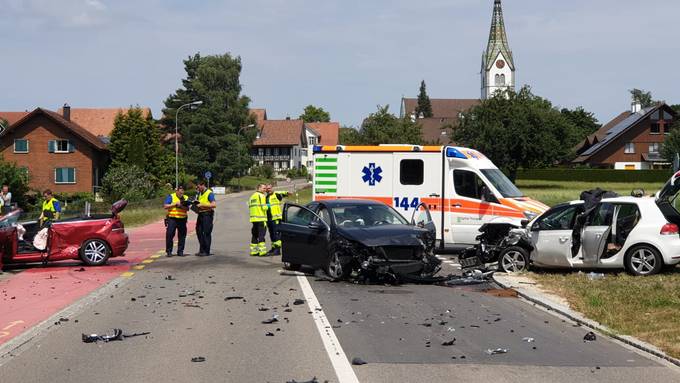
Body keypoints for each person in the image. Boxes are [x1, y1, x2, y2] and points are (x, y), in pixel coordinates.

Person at [163, 185, 189, 257]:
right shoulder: (171, 196)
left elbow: (187, 209)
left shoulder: (186, 198)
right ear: (176, 191)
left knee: (182, 236)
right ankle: (169, 251)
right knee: (170, 234)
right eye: (180, 192)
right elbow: (165, 206)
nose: (181, 193)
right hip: (172, 218)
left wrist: (181, 206)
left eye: (182, 192)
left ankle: (180, 251)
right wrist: (174, 204)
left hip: (182, 219)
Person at [265, 184, 288, 256]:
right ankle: (273, 248)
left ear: (272, 188)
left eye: (269, 188)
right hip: (269, 219)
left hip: (276, 218)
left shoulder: (276, 195)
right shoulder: (266, 197)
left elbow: (284, 193)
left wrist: (287, 193)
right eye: (267, 189)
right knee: (272, 234)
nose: (268, 189)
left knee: (276, 234)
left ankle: (277, 250)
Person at [195, 181, 216, 256]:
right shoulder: (199, 193)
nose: (198, 188)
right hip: (200, 214)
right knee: (198, 231)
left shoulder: (209, 193)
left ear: (203, 185)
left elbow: (213, 204)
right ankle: (202, 249)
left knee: (206, 232)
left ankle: (206, 251)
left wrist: (202, 204)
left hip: (207, 214)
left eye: (198, 187)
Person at [249, 184, 269, 256]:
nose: (265, 190)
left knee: (254, 235)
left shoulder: (252, 196)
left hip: (254, 219)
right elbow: (264, 208)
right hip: (261, 219)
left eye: (265, 188)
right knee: (261, 235)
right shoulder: (261, 196)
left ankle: (253, 251)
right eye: (263, 188)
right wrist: (268, 205)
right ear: (259, 188)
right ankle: (262, 251)